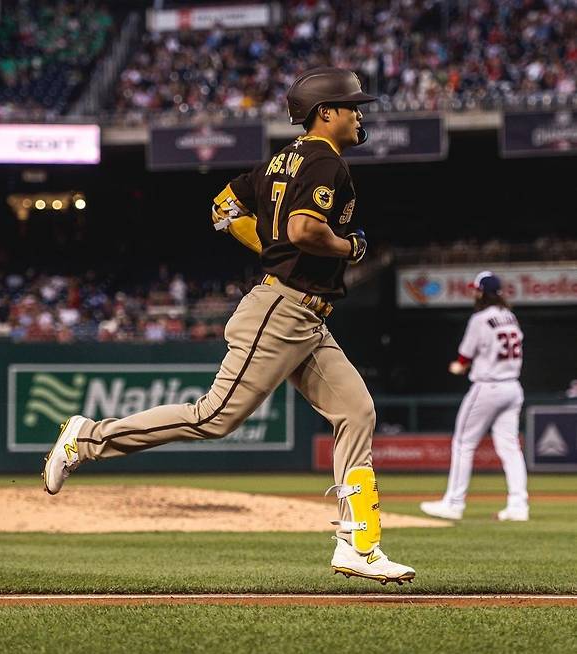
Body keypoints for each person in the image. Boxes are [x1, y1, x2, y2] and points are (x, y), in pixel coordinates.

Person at [43, 67, 415, 585]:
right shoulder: (326, 161)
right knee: (213, 417)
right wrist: (346, 246)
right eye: (352, 105)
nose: (359, 113)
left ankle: (358, 544)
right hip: (283, 310)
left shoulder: (279, 162)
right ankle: (87, 438)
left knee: (356, 412)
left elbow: (224, 206)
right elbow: (305, 229)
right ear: (324, 113)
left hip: (307, 317)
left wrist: (273, 247)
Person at [421, 271, 529, 522]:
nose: (474, 294)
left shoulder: (480, 319)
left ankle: (454, 503)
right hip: (512, 387)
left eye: (476, 290)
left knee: (463, 443)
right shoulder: (510, 317)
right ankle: (518, 505)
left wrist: (458, 367)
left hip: (488, 386)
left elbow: (464, 358)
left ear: (482, 293)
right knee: (510, 448)